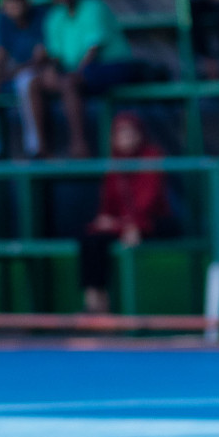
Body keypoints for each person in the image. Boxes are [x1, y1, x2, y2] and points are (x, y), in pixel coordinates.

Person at [36, 0, 145, 158]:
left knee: (70, 82)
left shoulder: (94, 8)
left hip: (113, 66)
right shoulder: (55, 18)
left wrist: (71, 75)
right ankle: (41, 148)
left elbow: (93, 50)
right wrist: (52, 71)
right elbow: (56, 56)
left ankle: (79, 145)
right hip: (79, 72)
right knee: (34, 84)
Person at [77, 112, 171, 314]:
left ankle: (128, 316)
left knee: (128, 236)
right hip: (122, 224)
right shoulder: (114, 162)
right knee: (91, 237)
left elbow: (150, 201)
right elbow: (107, 205)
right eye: (121, 133)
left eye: (131, 132)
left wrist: (132, 225)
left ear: (140, 134)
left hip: (152, 222)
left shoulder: (151, 156)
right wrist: (110, 221)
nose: (127, 138)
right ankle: (95, 303)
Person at [0, 0, 46, 159]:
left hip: (37, 73)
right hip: (13, 73)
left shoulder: (41, 16)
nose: (13, 6)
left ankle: (35, 148)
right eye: (9, 2)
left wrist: (8, 74)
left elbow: (40, 58)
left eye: (17, 1)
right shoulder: (2, 20)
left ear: (26, 1)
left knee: (26, 82)